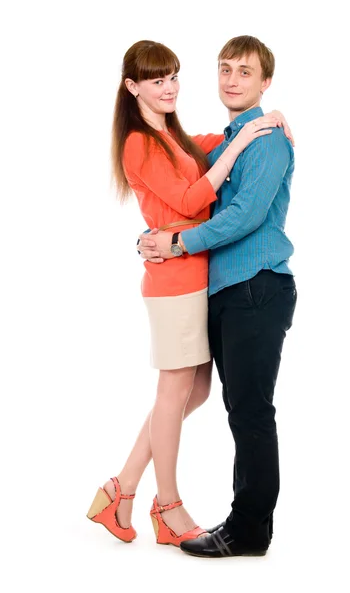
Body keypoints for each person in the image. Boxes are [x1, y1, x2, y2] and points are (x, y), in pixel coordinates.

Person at [86, 39, 292, 548]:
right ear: (132, 87)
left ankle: (122, 488)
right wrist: (243, 140)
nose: (169, 87)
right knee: (179, 393)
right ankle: (165, 505)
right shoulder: (140, 140)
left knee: (193, 393)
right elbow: (188, 196)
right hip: (178, 282)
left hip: (205, 280)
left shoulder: (174, 136)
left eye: (173, 77)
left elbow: (213, 161)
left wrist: (251, 130)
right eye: (156, 80)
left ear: (265, 81)